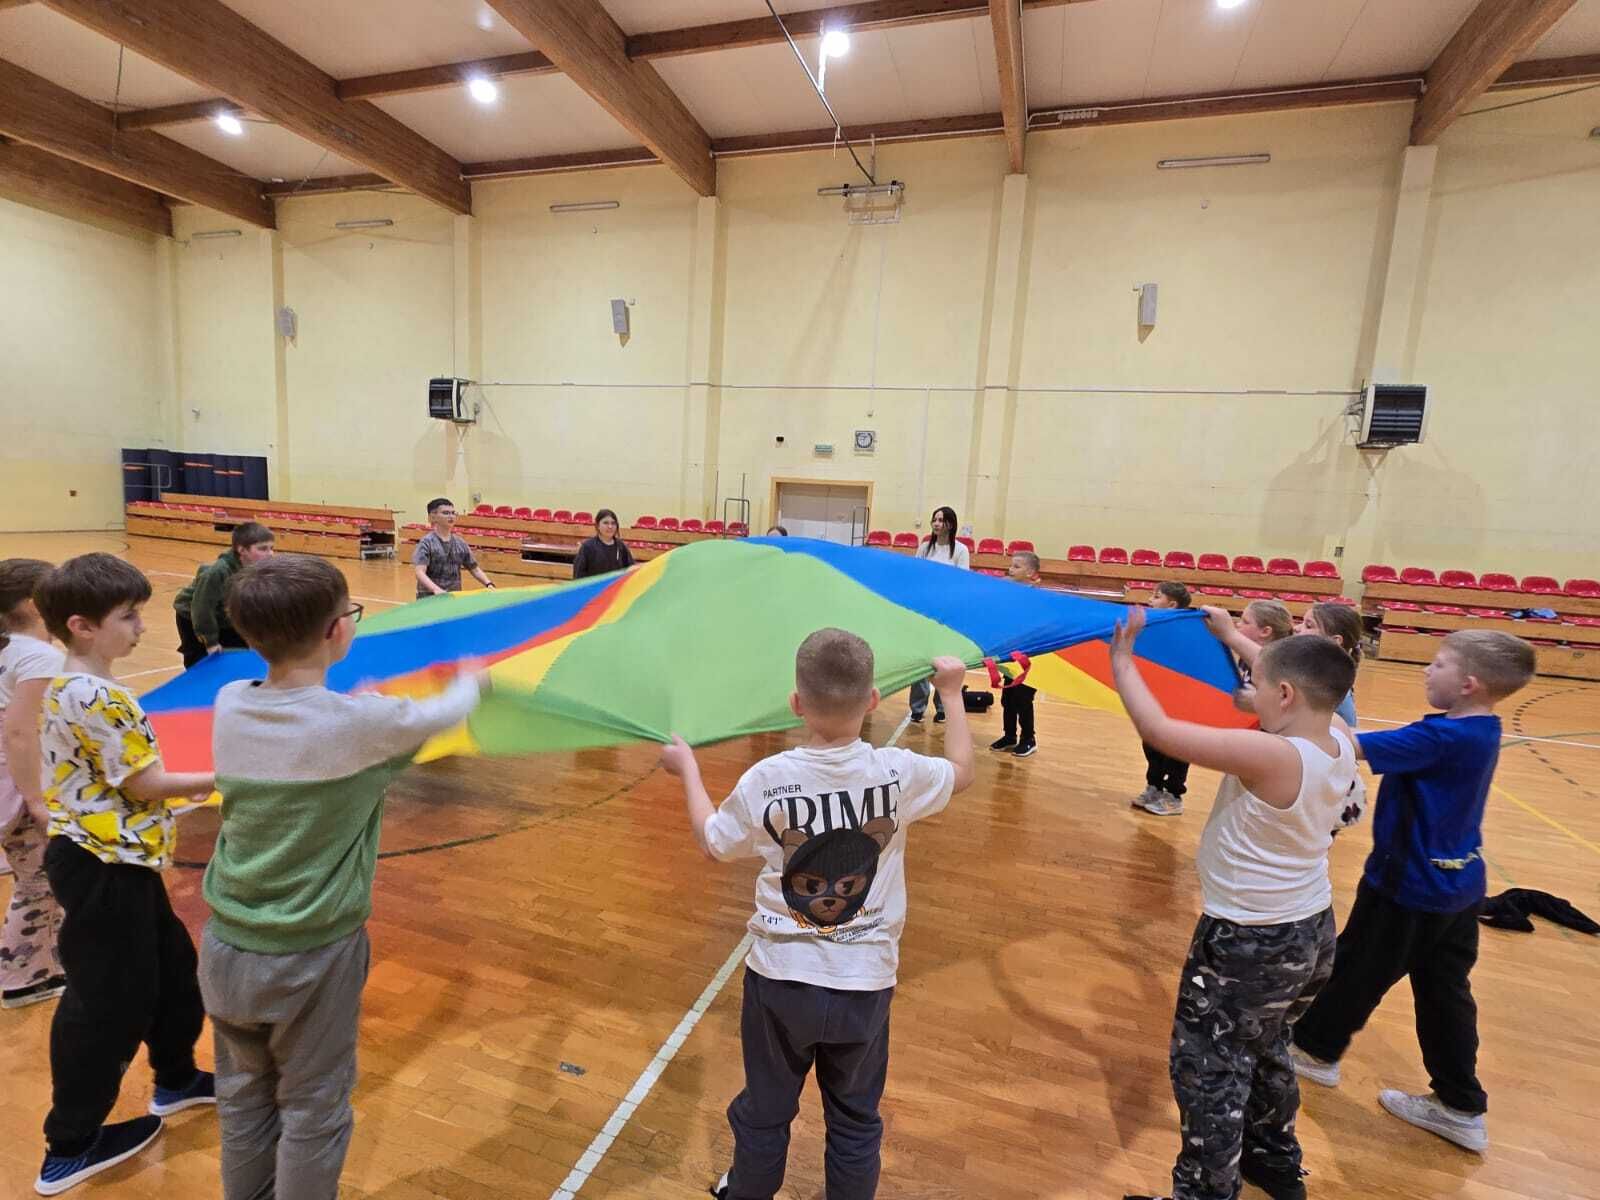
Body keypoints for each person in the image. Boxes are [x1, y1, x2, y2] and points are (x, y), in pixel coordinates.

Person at [200, 554, 486, 1200]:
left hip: (226, 949)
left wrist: (361, 711)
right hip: (312, 955)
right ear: (337, 631)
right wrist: (472, 678)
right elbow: (446, 711)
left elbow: (318, 731)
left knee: (243, 1100)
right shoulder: (360, 726)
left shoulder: (230, 703)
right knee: (313, 1107)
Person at [659, 630, 975, 1200]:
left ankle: (748, 1191)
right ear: (873, 700)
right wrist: (950, 693)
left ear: (796, 703)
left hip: (780, 980)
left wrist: (687, 770)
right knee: (855, 1120)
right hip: (865, 983)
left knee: (765, 1110)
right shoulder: (898, 772)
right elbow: (962, 769)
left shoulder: (767, 780)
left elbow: (714, 841)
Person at [1111, 607, 1362, 1200]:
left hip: (1249, 940)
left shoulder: (1273, 756)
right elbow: (1290, 677)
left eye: (1258, 683)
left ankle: (1204, 1193)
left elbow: (1160, 731)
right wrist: (1231, 638)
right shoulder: (1339, 735)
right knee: (1266, 1045)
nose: (1249, 689)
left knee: (1209, 1067)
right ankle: (1273, 1160)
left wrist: (1122, 658)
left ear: (1285, 694)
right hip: (1311, 928)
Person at [1290, 631, 1537, 1155]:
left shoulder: (1441, 738)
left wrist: (1297, 685)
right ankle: (1460, 1105)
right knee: (1445, 993)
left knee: (1357, 969)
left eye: (1439, 664)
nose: (1428, 670)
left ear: (1468, 684)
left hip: (1409, 887)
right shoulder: (1479, 728)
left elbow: (1348, 744)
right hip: (1460, 887)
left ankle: (1314, 1051)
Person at [32, 553, 217, 1196]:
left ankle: (176, 1077)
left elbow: (125, 779)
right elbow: (144, 782)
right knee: (106, 1002)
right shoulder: (94, 694)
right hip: (100, 865)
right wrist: (227, 774)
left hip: (123, 859)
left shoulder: (78, 685)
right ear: (82, 626)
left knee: (172, 969)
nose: (142, 627)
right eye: (129, 617)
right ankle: (70, 1145)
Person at [0, 558, 65, 1010]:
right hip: (21, 788)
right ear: (34, 604)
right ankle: (24, 977)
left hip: (11, 785)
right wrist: (37, 800)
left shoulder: (14, 649)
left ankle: (45, 960)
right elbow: (20, 732)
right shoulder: (39, 656)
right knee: (38, 884)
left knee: (39, 879)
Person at [173, 521, 275, 667]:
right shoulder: (217, 572)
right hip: (193, 617)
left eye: (271, 548)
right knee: (201, 661)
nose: (270, 554)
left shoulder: (258, 570)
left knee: (239, 655)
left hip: (225, 615)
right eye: (263, 549)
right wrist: (210, 642)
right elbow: (202, 608)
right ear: (242, 550)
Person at [1134, 581, 1195, 815]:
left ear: (1172, 605)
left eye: (1156, 596)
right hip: (1155, 696)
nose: (1150, 600)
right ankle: (1154, 786)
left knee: (1177, 747)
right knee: (1152, 743)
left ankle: (1174, 795)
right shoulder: (1152, 627)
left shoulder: (1189, 630)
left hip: (1181, 700)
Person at [909, 505, 970, 724]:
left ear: (950, 524)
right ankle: (917, 707)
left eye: (941, 520)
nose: (936, 524)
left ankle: (943, 706)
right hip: (924, 611)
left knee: (945, 659)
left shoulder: (960, 550)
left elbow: (962, 581)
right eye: (934, 519)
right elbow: (915, 576)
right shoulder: (924, 548)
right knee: (921, 658)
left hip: (947, 614)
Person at [990, 550, 1041, 758]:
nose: (1011, 569)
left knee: (1023, 698)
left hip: (1030, 657)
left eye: (1016, 567)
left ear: (1030, 573)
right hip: (1012, 655)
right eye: (1011, 565)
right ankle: (1009, 735)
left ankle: (1028, 738)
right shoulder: (1008, 590)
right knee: (1008, 697)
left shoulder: (1036, 597)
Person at [412, 497, 495, 598]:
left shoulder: (460, 543)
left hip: (453, 597)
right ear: (432, 517)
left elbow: (475, 569)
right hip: (429, 598)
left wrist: (488, 583)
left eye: (453, 513)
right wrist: (436, 589)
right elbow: (420, 572)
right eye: (446, 513)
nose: (451, 516)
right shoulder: (426, 543)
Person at [1299, 602, 1363, 727]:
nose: (1296, 628)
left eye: (1308, 626)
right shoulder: (1315, 673)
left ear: (1334, 641)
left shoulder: (1326, 683)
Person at [572, 509, 635, 579]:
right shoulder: (587, 547)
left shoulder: (621, 546)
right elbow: (578, 575)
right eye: (605, 523)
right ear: (598, 526)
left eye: (613, 523)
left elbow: (631, 569)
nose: (610, 526)